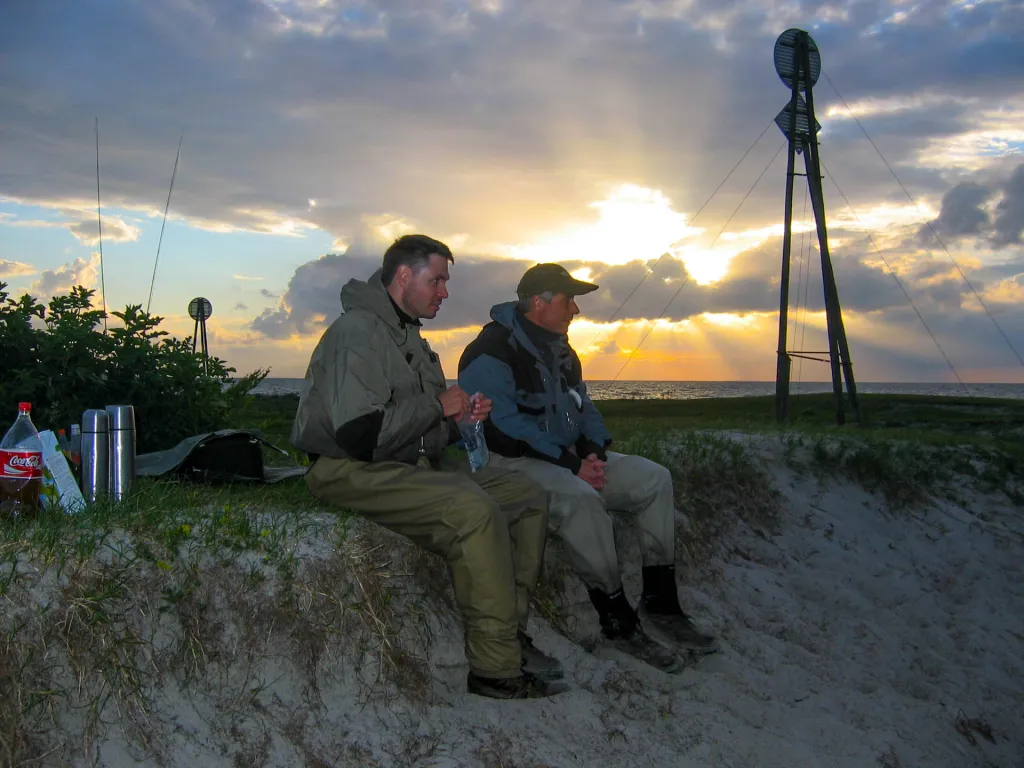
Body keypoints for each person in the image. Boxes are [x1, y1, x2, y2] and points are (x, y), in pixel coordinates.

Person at [291, 235, 563, 699]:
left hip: (404, 465)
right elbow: (359, 436)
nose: (445, 291)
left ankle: (510, 634)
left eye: (445, 281)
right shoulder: (358, 333)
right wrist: (437, 405)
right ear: (403, 276)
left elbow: (419, 428)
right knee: (472, 508)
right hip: (347, 469)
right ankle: (495, 671)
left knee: (526, 497)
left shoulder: (409, 337)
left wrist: (459, 421)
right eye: (437, 279)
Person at [457, 263, 719, 673]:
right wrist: (573, 466)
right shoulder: (490, 352)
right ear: (538, 303)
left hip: (567, 460)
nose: (575, 310)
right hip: (508, 464)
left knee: (654, 478)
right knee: (582, 500)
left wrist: (594, 453)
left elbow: (584, 408)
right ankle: (617, 624)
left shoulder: (563, 352)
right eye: (568, 300)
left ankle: (661, 605)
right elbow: (504, 428)